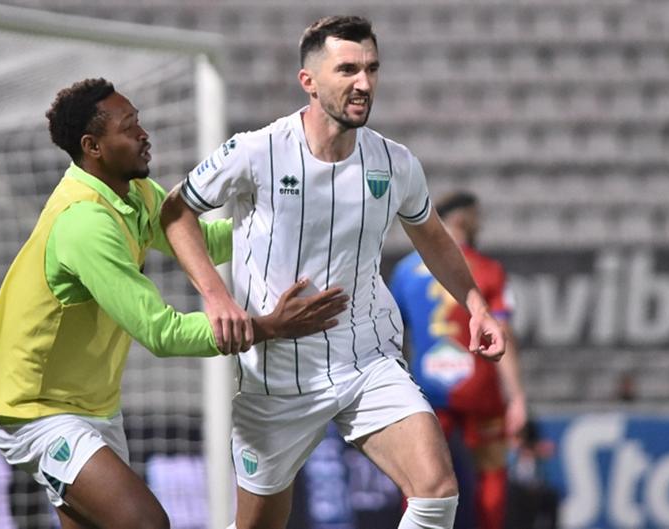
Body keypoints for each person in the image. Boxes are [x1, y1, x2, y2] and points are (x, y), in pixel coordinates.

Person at [160, 17, 506, 529]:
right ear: (309, 81)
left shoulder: (395, 163)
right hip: (277, 374)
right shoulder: (257, 151)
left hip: (367, 357)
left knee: (436, 493)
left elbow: (432, 234)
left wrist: (475, 304)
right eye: (347, 70)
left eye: (371, 69)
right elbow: (175, 211)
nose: (363, 83)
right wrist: (217, 297)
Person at [0, 78, 348, 529]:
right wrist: (268, 326)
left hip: (95, 405)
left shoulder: (133, 193)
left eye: (139, 121)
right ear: (93, 147)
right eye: (128, 127)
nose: (143, 134)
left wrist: (284, 225)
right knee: (147, 523)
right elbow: (160, 331)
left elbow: (200, 241)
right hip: (34, 408)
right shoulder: (85, 223)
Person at [389, 191, 528, 529]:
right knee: (491, 471)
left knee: (421, 475)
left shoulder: (405, 271)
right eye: (477, 217)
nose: (481, 224)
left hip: (427, 389)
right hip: (479, 388)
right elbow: (502, 333)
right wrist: (517, 397)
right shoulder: (489, 270)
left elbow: (392, 332)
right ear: (463, 219)